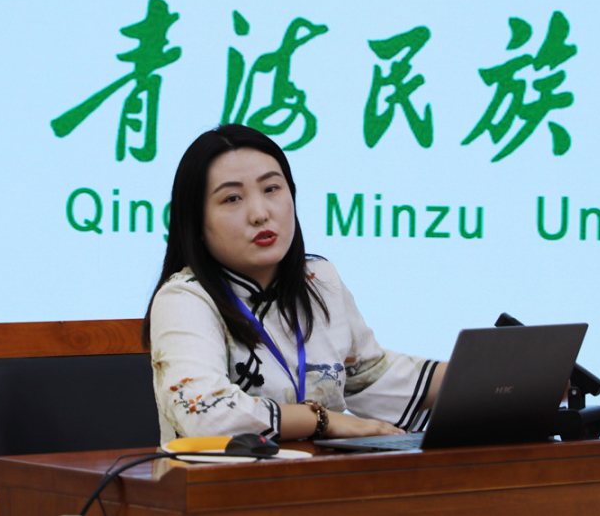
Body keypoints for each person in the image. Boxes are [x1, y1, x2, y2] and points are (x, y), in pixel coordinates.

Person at [142, 124, 446, 444]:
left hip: (321, 473)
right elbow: (206, 413)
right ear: (195, 222)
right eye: (232, 198)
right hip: (225, 475)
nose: (260, 214)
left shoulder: (319, 280)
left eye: (271, 188)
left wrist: (476, 371)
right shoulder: (185, 298)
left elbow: (371, 378)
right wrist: (322, 420)